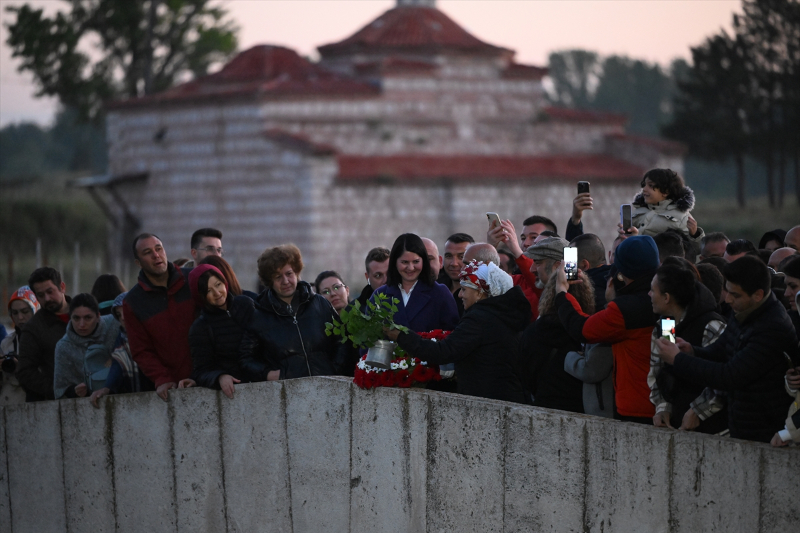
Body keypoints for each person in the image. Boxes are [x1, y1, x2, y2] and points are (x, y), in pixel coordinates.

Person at [655, 256, 798, 443]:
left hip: (764, 430)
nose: (728, 299)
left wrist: (678, 359)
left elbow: (729, 376)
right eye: (727, 291)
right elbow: (721, 350)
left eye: (735, 295)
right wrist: (692, 351)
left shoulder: (771, 327)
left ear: (758, 295)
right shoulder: (745, 312)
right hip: (742, 424)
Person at [385, 260, 530, 403]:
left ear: (480, 293)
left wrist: (401, 335)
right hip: (508, 398)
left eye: (464, 289)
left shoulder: (479, 319)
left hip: (491, 402)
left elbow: (443, 352)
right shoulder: (503, 314)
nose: (460, 295)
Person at [556, 235, 660, 424]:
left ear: (621, 273)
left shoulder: (625, 310)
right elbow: (668, 343)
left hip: (637, 407)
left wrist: (562, 292)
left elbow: (583, 329)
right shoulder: (663, 300)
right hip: (662, 404)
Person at [240, 244, 344, 380]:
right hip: (287, 390)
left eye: (289, 273)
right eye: (278, 277)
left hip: (328, 385)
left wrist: (334, 369)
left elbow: (341, 340)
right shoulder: (260, 316)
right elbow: (246, 359)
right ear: (270, 281)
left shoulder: (319, 303)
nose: (285, 281)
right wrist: (269, 374)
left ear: (296, 272)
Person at [647, 259, 727, 433]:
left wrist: (698, 411)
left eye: (653, 290)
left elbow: (724, 378)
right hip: (679, 425)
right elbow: (660, 372)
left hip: (714, 430)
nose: (649, 294)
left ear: (667, 298)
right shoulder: (666, 325)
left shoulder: (710, 325)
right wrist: (663, 406)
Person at [123, 233, 197, 401]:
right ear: (138, 262)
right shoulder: (133, 302)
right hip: (171, 390)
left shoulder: (192, 279)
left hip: (207, 377)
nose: (156, 255)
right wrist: (161, 378)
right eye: (147, 252)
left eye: (158, 249)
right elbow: (141, 350)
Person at [520, 254, 595, 413]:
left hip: (542, 405)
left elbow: (525, 374)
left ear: (549, 293)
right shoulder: (588, 332)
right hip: (580, 409)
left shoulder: (534, 331)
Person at [188, 264, 255, 398]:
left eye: (218, 285)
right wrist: (220, 377)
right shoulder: (200, 327)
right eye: (208, 290)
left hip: (262, 381)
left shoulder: (246, 304)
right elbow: (200, 371)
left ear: (224, 282)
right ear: (201, 296)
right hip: (232, 392)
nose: (217, 293)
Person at [371, 234, 459, 334]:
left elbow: (452, 336)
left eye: (416, 261)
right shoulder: (379, 295)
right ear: (395, 262)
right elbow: (368, 336)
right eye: (405, 262)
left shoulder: (440, 293)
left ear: (423, 261)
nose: (411, 268)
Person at [88, 292, 155, 408]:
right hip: (136, 403)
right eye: (119, 314)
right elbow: (118, 363)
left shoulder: (154, 333)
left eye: (126, 311)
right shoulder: (122, 338)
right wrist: (107, 388)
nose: (123, 318)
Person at [16, 267, 71, 402]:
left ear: (62, 287)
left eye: (50, 292)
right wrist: (56, 390)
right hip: (60, 402)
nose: (47, 298)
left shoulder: (86, 312)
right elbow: (25, 371)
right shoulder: (33, 328)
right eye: (40, 295)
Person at [53, 293, 121, 399]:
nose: (82, 324)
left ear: (98, 316)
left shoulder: (115, 324)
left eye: (88, 318)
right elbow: (60, 389)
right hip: (87, 403)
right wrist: (74, 391)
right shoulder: (64, 347)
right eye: (76, 318)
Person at [486, 218, 547, 321]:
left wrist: (516, 251)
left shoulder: (562, 282)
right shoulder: (516, 280)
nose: (526, 243)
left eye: (534, 237)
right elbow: (482, 285)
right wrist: (490, 248)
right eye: (523, 238)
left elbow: (542, 286)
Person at [627, 169, 704, 243]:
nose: (644, 189)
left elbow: (698, 248)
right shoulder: (637, 211)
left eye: (650, 185)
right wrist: (625, 236)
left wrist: (695, 235)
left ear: (666, 192)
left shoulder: (681, 217)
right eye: (644, 185)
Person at [1, 287, 40, 406]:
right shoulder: (6, 343)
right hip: (8, 405)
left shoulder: (46, 341)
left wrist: (22, 368)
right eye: (15, 313)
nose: (20, 317)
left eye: (25, 311)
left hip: (38, 405)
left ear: (35, 310)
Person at [569, 233, 610, 311]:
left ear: (584, 265)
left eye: (571, 264)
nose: (568, 269)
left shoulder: (587, 295)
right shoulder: (618, 281)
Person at [437, 233, 475, 317]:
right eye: (449, 256)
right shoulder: (435, 286)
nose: (454, 263)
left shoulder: (479, 295)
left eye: (461, 257)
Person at [355, 247, 390, 312]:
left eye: (390, 273)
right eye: (378, 275)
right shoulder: (355, 311)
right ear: (367, 277)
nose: (385, 280)